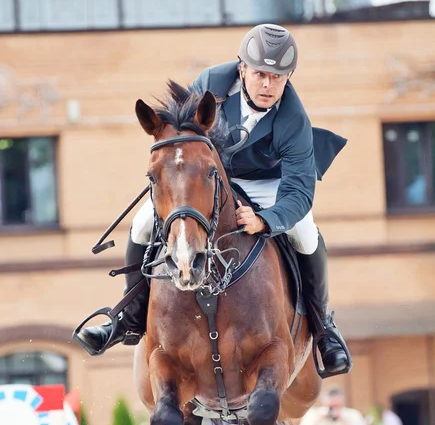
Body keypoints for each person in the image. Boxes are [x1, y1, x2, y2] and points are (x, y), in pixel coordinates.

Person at [75, 23, 350, 378]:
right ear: (242, 69)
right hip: (211, 175)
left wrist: (266, 220)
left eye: (278, 77)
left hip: (268, 182)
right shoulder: (210, 85)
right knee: (144, 223)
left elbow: (298, 191)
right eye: (261, 74)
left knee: (306, 233)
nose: (268, 85)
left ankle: (323, 327)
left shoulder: (293, 119)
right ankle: (127, 318)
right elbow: (179, 139)